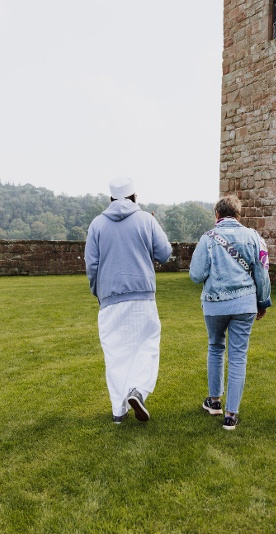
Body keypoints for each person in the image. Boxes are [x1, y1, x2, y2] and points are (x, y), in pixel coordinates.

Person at [84, 177, 173, 424]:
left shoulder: (97, 224)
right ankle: (138, 390)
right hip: (142, 296)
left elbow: (91, 265)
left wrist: (98, 291)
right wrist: (153, 225)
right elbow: (165, 253)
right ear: (134, 196)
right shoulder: (146, 220)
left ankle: (118, 410)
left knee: (115, 354)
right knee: (147, 346)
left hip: (110, 298)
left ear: (111, 198)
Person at [189, 195, 272, 430]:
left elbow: (196, 275)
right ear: (238, 215)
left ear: (217, 214)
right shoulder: (254, 237)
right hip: (245, 303)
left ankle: (214, 401)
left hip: (215, 304)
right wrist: (262, 302)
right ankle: (231, 414)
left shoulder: (207, 238)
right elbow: (262, 272)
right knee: (238, 356)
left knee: (215, 347)